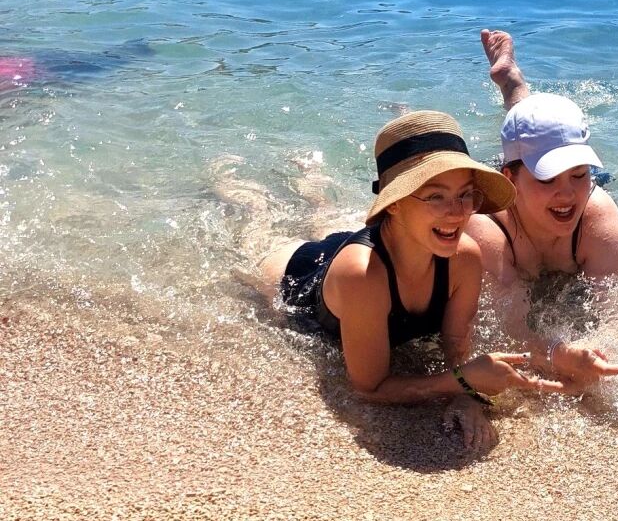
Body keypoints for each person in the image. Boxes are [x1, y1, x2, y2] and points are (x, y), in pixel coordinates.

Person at [219, 110, 565, 450]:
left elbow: (456, 344)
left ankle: (313, 185)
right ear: (394, 203)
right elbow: (368, 387)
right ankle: (225, 178)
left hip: (389, 242)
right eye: (436, 196)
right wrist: (462, 381)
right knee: (254, 224)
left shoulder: (464, 257)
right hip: (299, 273)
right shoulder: (362, 277)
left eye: (465, 194)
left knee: (324, 215)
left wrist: (467, 398)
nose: (458, 212)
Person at [466, 29, 618, 391]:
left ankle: (512, 82)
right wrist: (558, 354)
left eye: (579, 174)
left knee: (543, 135)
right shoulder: (486, 227)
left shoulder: (597, 215)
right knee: (525, 140)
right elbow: (508, 332)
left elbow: (615, 318)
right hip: (511, 199)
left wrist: (594, 354)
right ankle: (513, 86)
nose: (567, 193)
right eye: (548, 177)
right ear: (508, 179)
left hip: (529, 178)